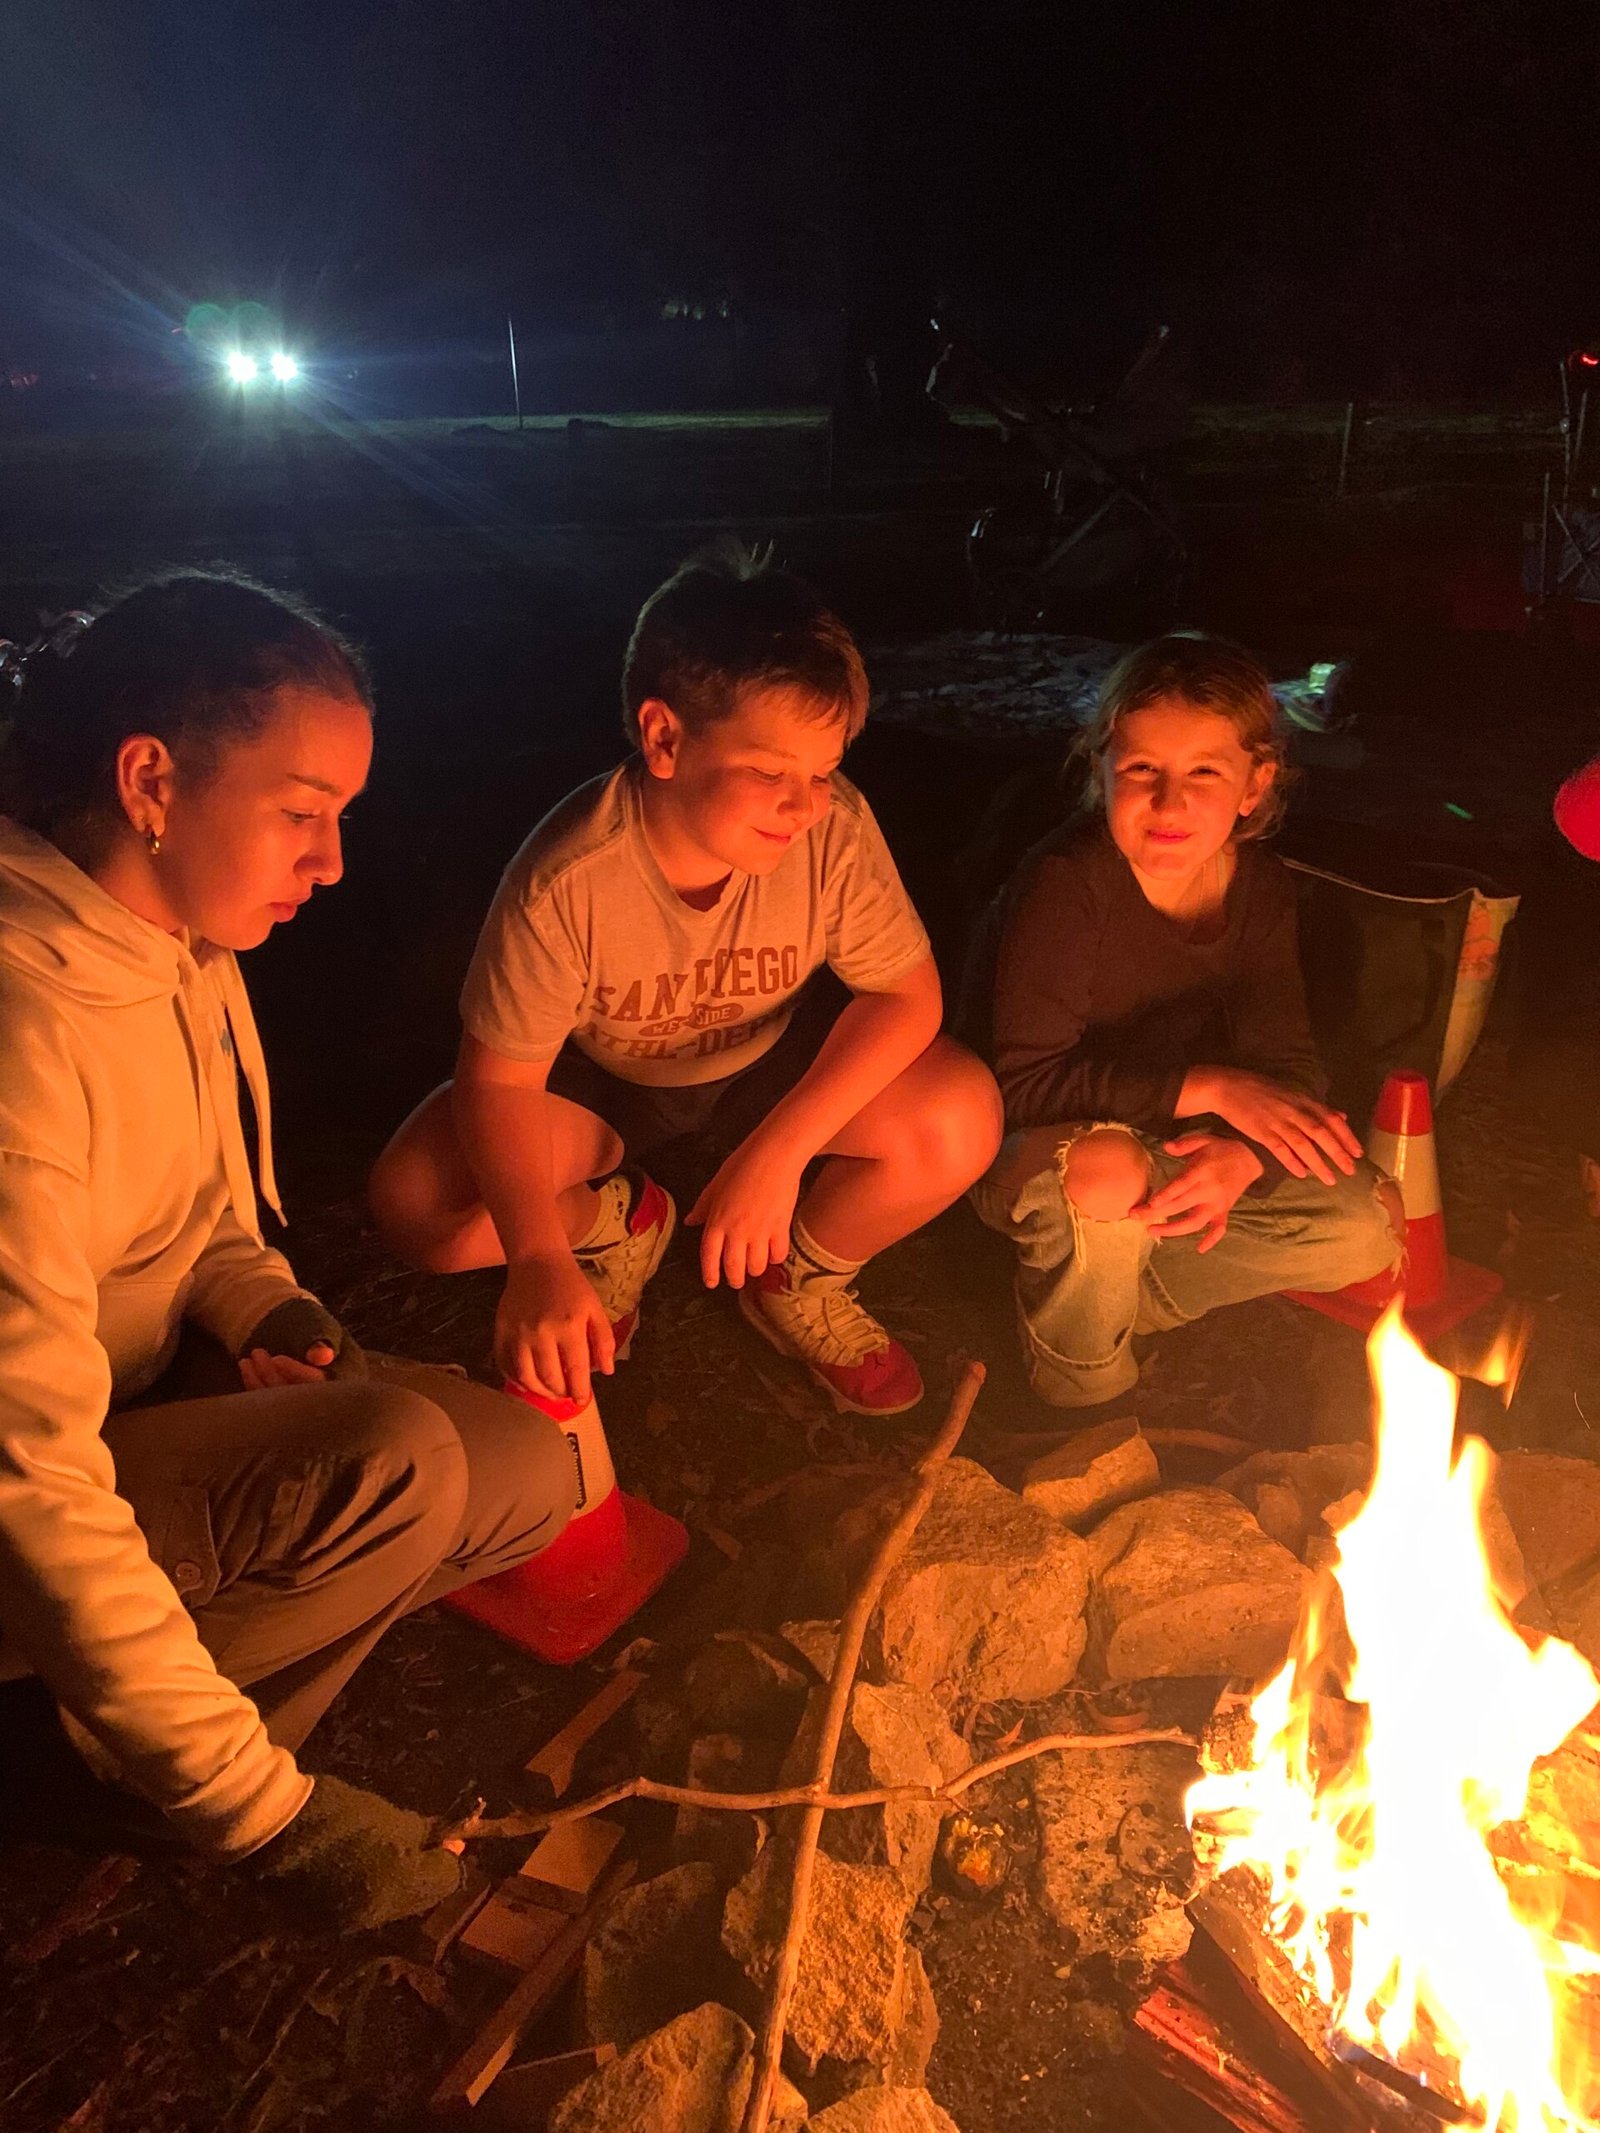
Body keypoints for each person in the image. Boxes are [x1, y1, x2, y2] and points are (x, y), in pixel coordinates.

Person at [0, 574, 576, 1926]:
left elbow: (203, 1222)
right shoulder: (24, 1030)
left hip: (130, 1410)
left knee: (519, 1474)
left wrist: (275, 1312)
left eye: (342, 819)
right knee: (395, 1464)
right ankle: (124, 1774)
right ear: (150, 780)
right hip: (32, 1499)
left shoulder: (179, 953)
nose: (332, 864)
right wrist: (270, 1819)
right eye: (301, 813)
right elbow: (27, 1474)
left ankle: (149, 1723)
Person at [369, 547, 1002, 1418]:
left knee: (961, 1117)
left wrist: (779, 1154)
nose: (805, 806)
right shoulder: (570, 878)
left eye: (822, 773)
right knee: (419, 1203)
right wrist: (539, 1257)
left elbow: (907, 996)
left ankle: (796, 1275)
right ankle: (615, 1227)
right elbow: (499, 1082)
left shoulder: (832, 834)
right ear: (665, 738)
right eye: (771, 772)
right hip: (609, 1082)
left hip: (766, 1064)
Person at [966, 632, 1399, 1408]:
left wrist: (1244, 1159)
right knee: (1107, 1170)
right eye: (1142, 770)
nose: (1170, 804)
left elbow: (1289, 1068)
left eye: (1204, 771)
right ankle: (1078, 1387)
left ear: (1255, 784)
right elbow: (1023, 1087)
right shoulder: (1068, 882)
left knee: (1369, 1223)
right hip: (1032, 1146)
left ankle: (1114, 1291)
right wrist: (1213, 1088)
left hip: (1159, 1143)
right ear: (1101, 768)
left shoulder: (1260, 887)